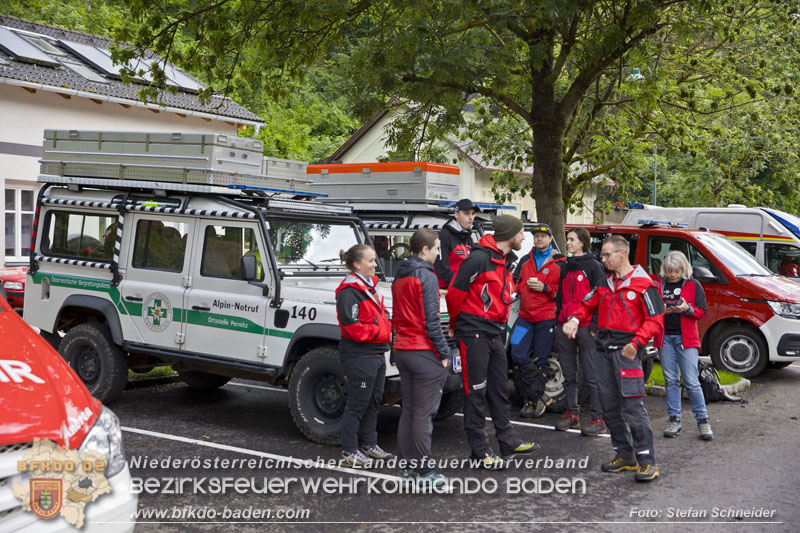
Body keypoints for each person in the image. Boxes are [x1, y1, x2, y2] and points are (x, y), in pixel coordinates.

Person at [562, 235, 664, 482]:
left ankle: (647, 462)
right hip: (603, 352)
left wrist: (636, 343)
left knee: (632, 407)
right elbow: (587, 305)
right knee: (608, 406)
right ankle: (625, 456)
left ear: (622, 254)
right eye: (603, 255)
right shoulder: (605, 283)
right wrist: (575, 319)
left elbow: (656, 320)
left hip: (627, 353)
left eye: (607, 255)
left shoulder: (644, 284)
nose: (603, 259)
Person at [446, 215, 540, 468]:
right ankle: (480, 452)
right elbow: (455, 294)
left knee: (498, 389)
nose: (523, 237)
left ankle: (507, 441)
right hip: (473, 332)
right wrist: (457, 324)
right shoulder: (478, 258)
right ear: (510, 235)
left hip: (495, 332)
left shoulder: (506, 260)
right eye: (521, 233)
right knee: (475, 393)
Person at [392, 229, 450, 489]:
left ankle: (407, 467)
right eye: (436, 248)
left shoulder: (400, 275)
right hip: (423, 351)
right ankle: (423, 470)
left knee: (410, 411)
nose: (439, 254)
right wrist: (445, 353)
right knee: (423, 415)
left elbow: (399, 316)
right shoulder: (425, 276)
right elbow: (431, 321)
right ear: (425, 249)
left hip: (403, 349)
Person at [335, 244, 393, 468]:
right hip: (359, 355)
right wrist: (383, 333)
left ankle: (369, 444)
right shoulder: (349, 292)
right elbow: (353, 328)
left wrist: (387, 329)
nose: (375, 264)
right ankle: (350, 451)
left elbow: (377, 317)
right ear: (357, 264)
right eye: (371, 260)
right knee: (357, 404)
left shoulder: (368, 286)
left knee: (373, 402)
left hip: (375, 353)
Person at [554, 227, 607, 435]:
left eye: (571, 240)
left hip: (585, 328)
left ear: (582, 243)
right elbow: (560, 296)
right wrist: (558, 321)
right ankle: (572, 414)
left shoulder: (594, 266)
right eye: (567, 239)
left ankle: (598, 418)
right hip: (564, 326)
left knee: (592, 375)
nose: (568, 243)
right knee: (568, 373)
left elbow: (601, 297)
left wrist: (594, 326)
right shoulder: (565, 266)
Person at [656, 251, 713, 440]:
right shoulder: (659, 285)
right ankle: (674, 419)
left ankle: (703, 421)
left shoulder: (693, 285)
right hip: (665, 338)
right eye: (670, 271)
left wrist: (687, 309)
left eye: (677, 271)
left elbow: (702, 311)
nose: (673, 275)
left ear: (684, 269)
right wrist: (660, 311)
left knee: (691, 381)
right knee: (671, 380)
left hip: (686, 339)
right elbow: (651, 310)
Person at [510, 223, 565, 418]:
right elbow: (515, 285)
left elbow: (563, 294)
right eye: (536, 236)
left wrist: (545, 289)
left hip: (546, 318)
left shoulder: (559, 262)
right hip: (524, 317)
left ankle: (530, 401)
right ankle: (540, 397)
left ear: (551, 239)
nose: (539, 239)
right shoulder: (525, 260)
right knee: (517, 352)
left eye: (543, 236)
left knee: (540, 361)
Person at [434, 198, 480, 289]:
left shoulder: (468, 237)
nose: (471, 218)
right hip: (444, 291)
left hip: (461, 287)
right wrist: (464, 282)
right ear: (456, 214)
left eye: (473, 214)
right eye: (466, 213)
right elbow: (442, 270)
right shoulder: (444, 235)